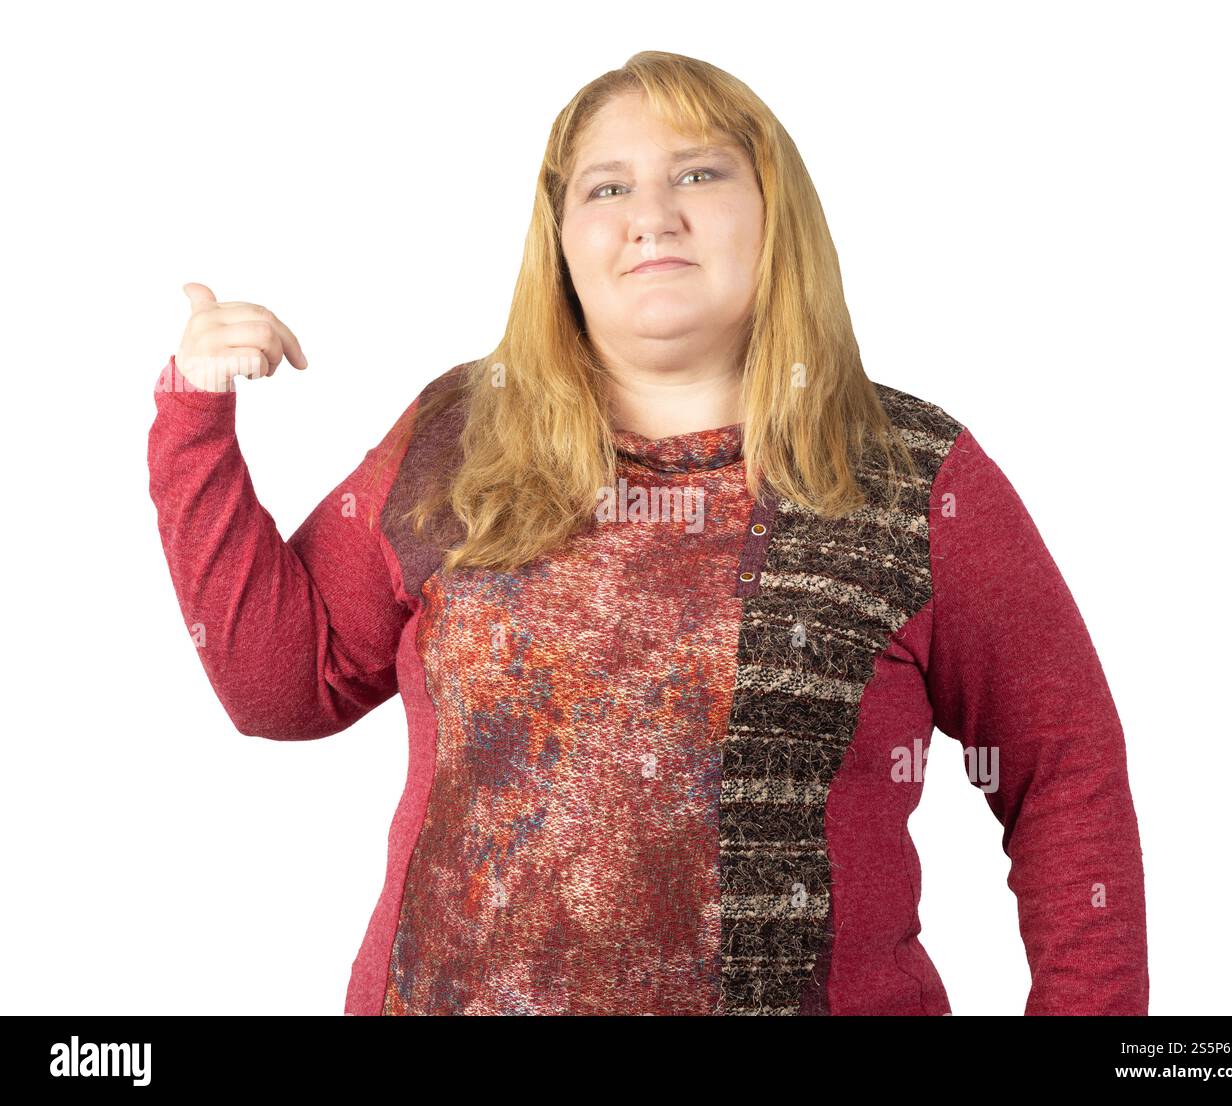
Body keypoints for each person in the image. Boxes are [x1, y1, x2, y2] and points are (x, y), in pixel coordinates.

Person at [147, 50, 1148, 1016]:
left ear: (774, 214)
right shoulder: (460, 435)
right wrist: (193, 414)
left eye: (699, 173)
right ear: (561, 241)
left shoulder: (906, 472)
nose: (651, 216)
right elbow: (282, 686)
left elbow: (1064, 770)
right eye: (606, 188)